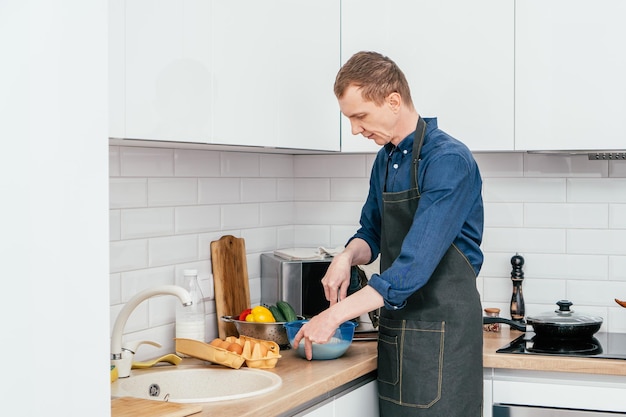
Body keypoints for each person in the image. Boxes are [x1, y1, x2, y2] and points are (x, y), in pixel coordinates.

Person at [292, 51, 485, 417]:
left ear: (393, 101)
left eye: (360, 116)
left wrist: (333, 316)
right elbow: (372, 232)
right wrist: (346, 256)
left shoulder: (448, 161)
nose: (354, 129)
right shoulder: (386, 158)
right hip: (397, 337)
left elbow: (412, 267)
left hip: (446, 341)